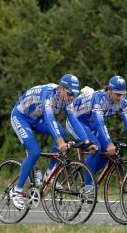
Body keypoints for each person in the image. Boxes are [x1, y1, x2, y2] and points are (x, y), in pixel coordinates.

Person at [9, 74, 96, 210]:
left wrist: (87, 141)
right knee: (34, 152)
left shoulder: (67, 99)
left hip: (36, 118)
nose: (71, 97)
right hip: (21, 117)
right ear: (61, 89)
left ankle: (49, 173)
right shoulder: (48, 95)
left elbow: (73, 119)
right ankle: (16, 191)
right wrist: (61, 143)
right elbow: (49, 119)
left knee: (62, 133)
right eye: (69, 94)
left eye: (74, 94)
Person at [67, 75, 127, 192]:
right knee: (96, 147)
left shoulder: (123, 101)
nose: (120, 98)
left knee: (108, 153)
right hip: (76, 121)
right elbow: (99, 122)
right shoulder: (98, 97)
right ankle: (88, 188)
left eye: (122, 94)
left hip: (91, 123)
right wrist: (109, 143)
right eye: (117, 94)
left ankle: (86, 171)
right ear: (109, 90)